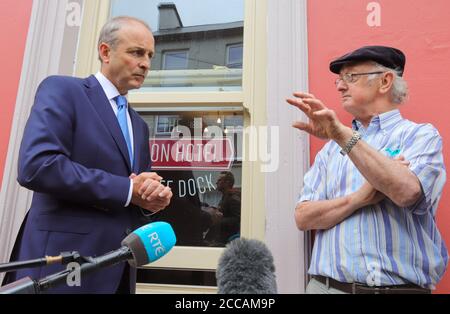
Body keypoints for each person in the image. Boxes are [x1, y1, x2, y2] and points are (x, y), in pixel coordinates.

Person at [4, 16, 173, 294]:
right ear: (105, 52)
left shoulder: (139, 126)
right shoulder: (62, 90)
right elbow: (37, 166)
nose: (146, 63)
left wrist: (149, 200)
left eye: (150, 56)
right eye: (136, 52)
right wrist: (129, 188)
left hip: (117, 270)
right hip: (60, 268)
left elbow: (131, 195)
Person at [287, 46, 447, 294]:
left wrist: (341, 134)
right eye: (339, 80)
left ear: (385, 81)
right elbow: (303, 217)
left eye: (350, 77)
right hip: (328, 289)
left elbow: (406, 192)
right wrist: (359, 198)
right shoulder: (330, 151)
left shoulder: (420, 136)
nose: (340, 86)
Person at [204, 171, 241, 246]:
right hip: (219, 238)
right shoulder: (226, 196)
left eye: (219, 180)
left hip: (224, 241)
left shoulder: (233, 198)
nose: (216, 182)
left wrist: (219, 220)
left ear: (227, 182)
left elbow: (237, 220)